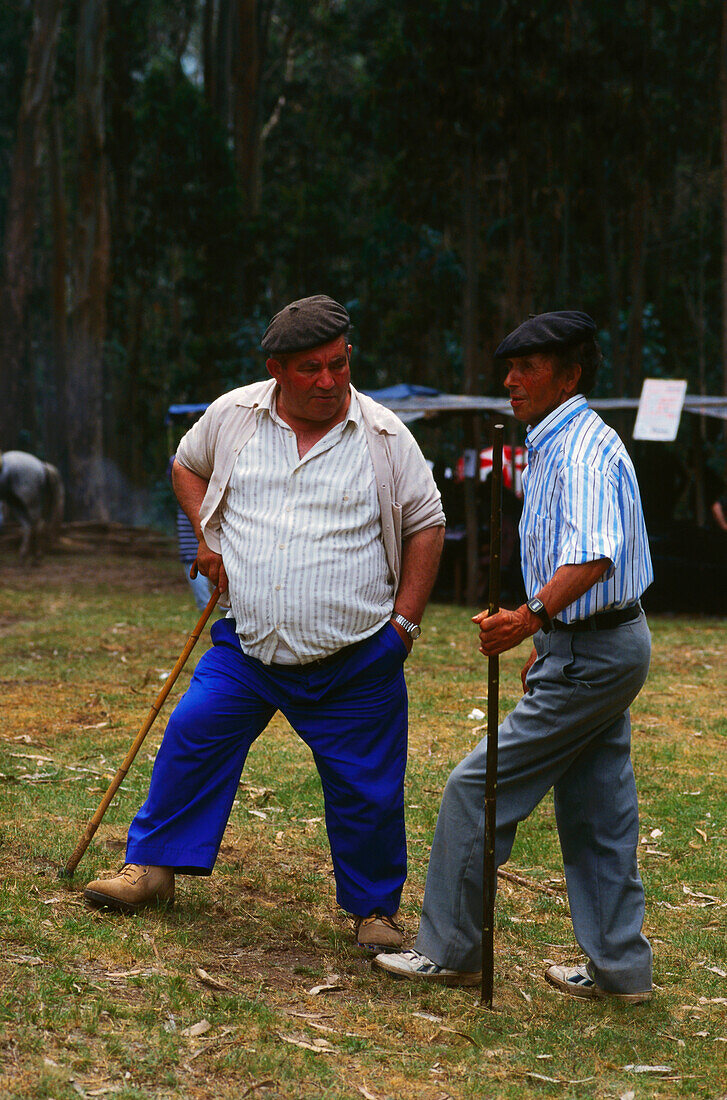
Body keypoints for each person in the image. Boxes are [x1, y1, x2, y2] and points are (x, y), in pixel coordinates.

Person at [84, 295, 446, 951]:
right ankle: (152, 869)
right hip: (246, 648)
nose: (330, 381)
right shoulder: (233, 416)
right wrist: (206, 537)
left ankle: (373, 912)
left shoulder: (386, 437)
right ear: (277, 369)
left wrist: (404, 627)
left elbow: (426, 524)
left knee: (367, 788)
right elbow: (185, 465)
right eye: (311, 369)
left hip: (356, 657)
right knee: (193, 732)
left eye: (339, 364)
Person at [374, 310, 655, 1001]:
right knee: (596, 810)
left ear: (568, 375)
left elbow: (591, 556)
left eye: (526, 369)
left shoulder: (582, 449)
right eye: (509, 368)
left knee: (476, 788)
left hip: (594, 649)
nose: (509, 381)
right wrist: (553, 639)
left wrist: (531, 619)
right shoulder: (557, 442)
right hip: (594, 645)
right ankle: (620, 971)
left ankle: (449, 950)